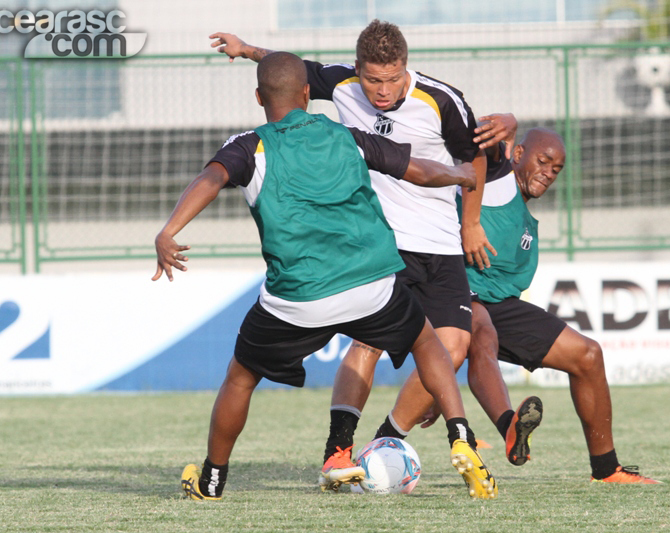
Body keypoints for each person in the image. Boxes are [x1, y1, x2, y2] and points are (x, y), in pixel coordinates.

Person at [153, 51, 498, 500]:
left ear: (259, 97)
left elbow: (210, 180)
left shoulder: (248, 146)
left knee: (241, 377)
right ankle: (461, 438)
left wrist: (169, 231)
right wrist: (461, 174)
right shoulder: (346, 136)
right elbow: (418, 170)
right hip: (371, 286)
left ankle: (212, 480)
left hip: (299, 297)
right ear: (306, 94)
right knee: (426, 340)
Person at [375, 128, 661, 484]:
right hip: (452, 292)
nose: (549, 172)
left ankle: (606, 469)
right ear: (518, 153)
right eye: (542, 161)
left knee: (587, 355)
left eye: (556, 169)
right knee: (480, 330)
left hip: (497, 304)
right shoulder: (496, 182)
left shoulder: (524, 217)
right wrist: (506, 124)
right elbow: (475, 144)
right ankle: (391, 443)